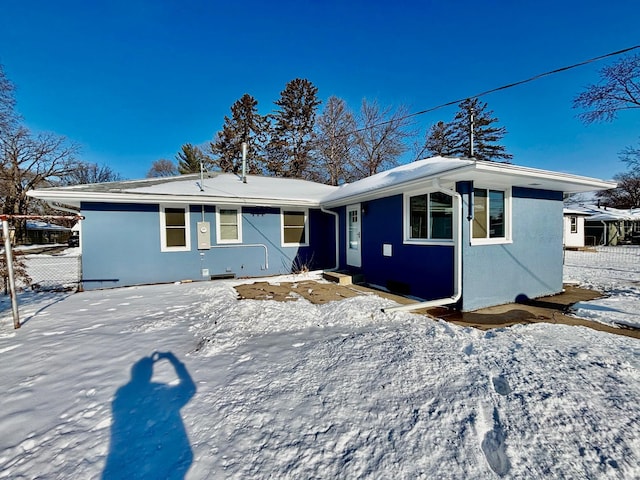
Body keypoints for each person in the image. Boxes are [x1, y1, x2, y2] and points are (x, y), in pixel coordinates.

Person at [102, 351, 196, 479]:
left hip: (134, 458)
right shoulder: (161, 391)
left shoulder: (122, 394)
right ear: (150, 374)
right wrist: (174, 361)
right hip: (168, 456)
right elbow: (189, 389)